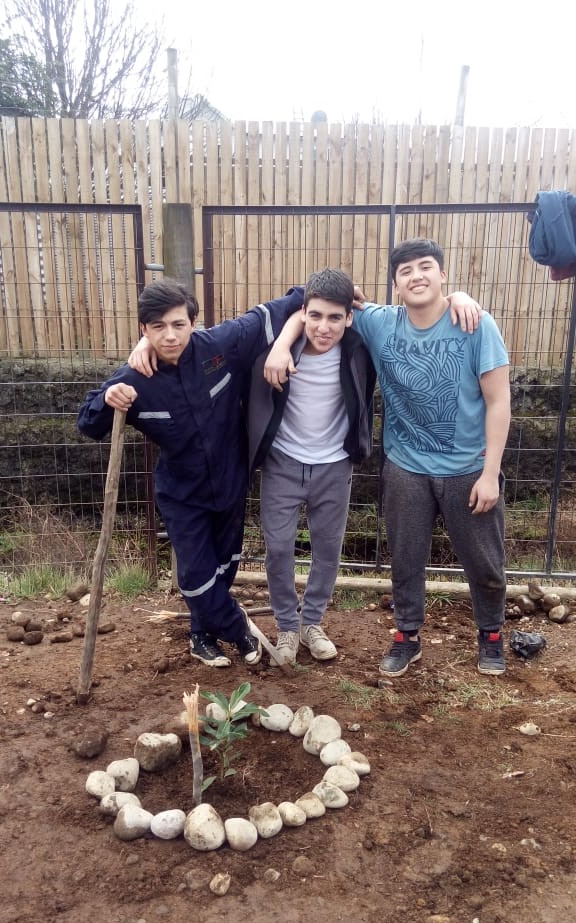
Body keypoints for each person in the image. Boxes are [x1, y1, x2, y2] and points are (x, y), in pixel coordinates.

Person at [264, 239, 509, 677]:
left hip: (467, 467)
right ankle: (407, 637)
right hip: (405, 466)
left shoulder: (477, 325)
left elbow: (498, 402)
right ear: (394, 284)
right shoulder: (377, 323)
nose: (416, 276)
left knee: (483, 559)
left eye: (426, 267)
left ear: (443, 274)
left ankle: (491, 634)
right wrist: (283, 340)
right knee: (405, 557)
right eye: (406, 271)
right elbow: (315, 302)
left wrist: (491, 473)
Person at [77, 277, 304, 668]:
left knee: (223, 567)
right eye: (158, 327)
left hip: (231, 483)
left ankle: (202, 636)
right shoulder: (134, 378)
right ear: (142, 330)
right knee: (197, 576)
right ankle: (239, 630)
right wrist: (107, 400)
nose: (169, 336)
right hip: (183, 494)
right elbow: (89, 422)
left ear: (193, 322)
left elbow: (289, 302)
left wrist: (334, 291)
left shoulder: (221, 345)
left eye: (178, 324)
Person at [246, 268, 376, 664]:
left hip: (334, 466)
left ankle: (312, 622)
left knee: (327, 550)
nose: (324, 326)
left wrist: (458, 299)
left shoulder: (360, 348)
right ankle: (287, 626)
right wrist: (284, 341)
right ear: (303, 313)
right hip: (283, 462)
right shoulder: (278, 346)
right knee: (280, 547)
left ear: (349, 318)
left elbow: (409, 317)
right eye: (315, 315)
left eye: (335, 317)